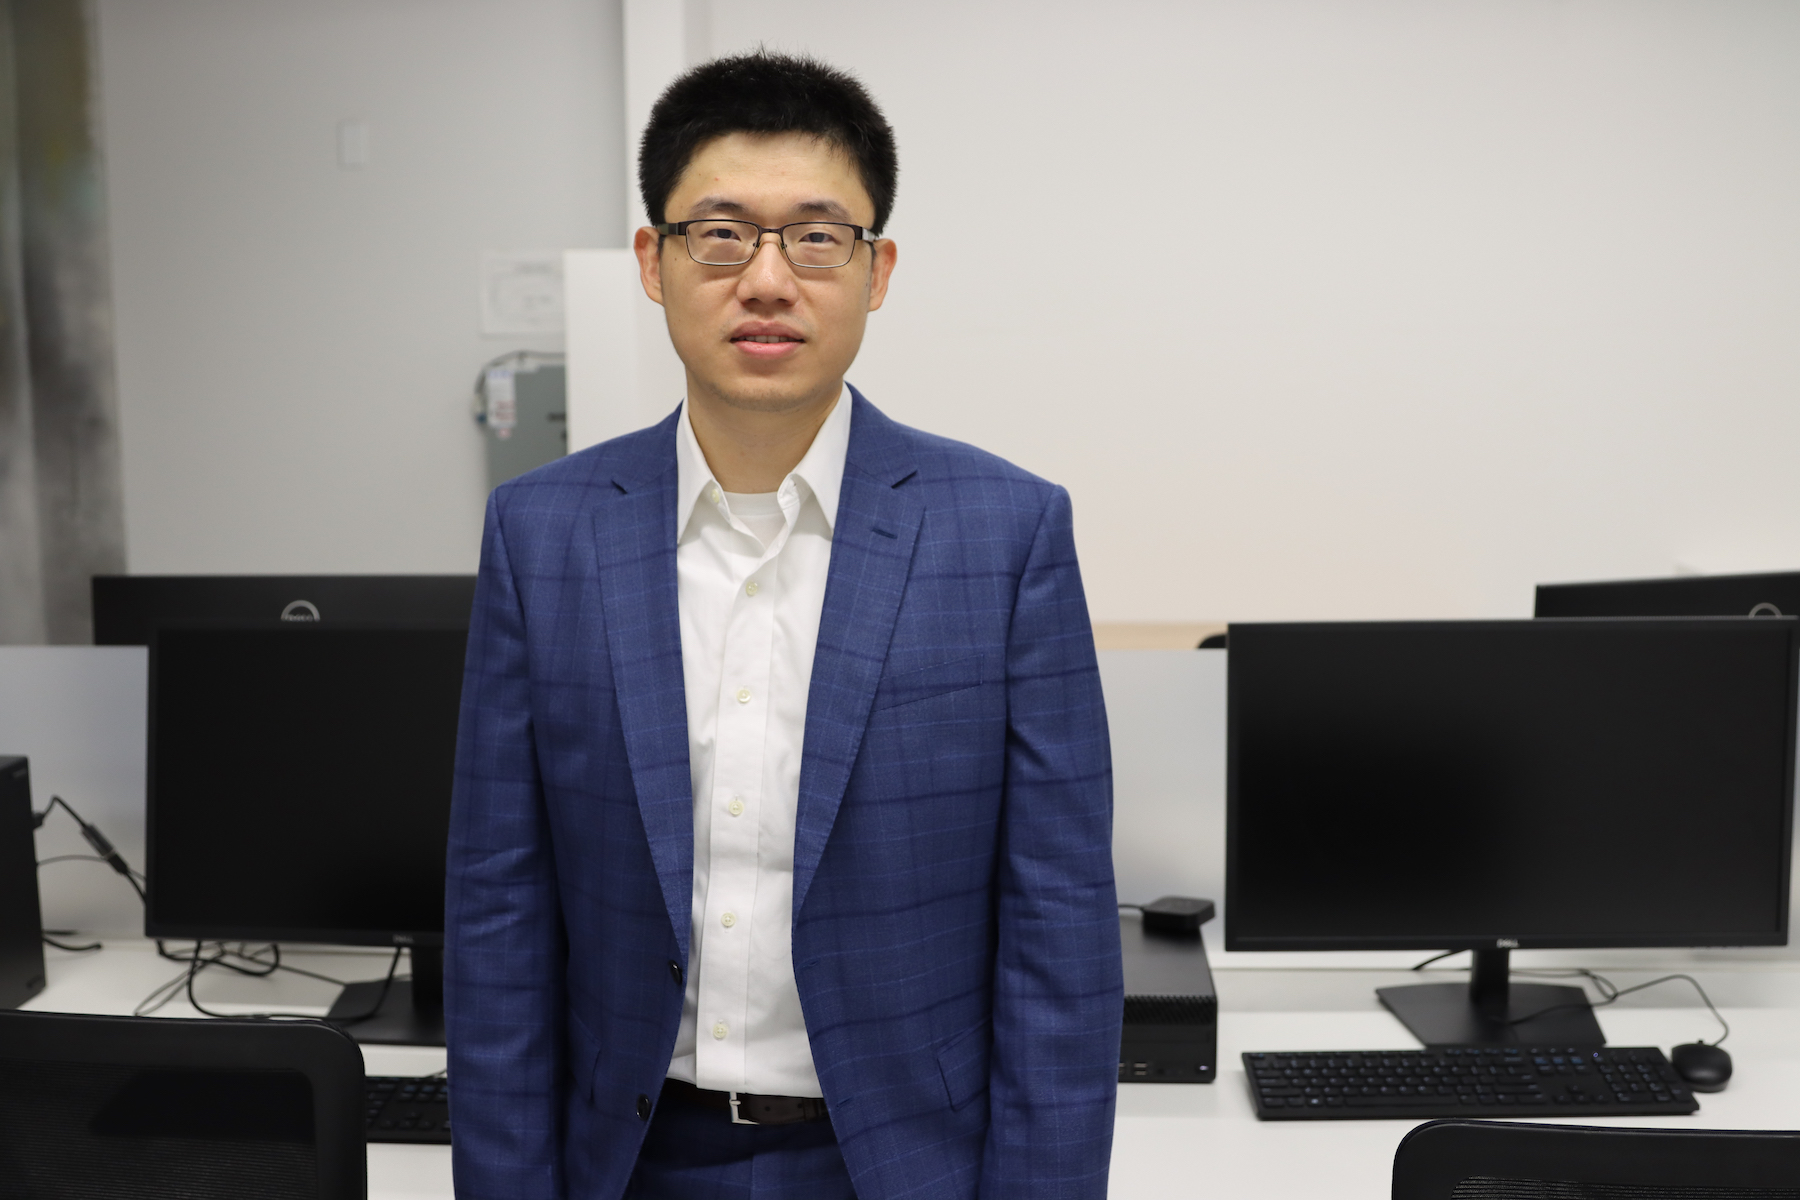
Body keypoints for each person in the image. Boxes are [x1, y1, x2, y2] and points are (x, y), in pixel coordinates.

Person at [445, 50, 1121, 1200]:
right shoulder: (541, 533)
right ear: (654, 263)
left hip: (908, 1164)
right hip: (632, 1158)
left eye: (817, 237)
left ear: (878, 270)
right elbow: (499, 906)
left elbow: (1058, 922)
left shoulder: (1005, 532)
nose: (767, 279)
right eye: (721, 234)